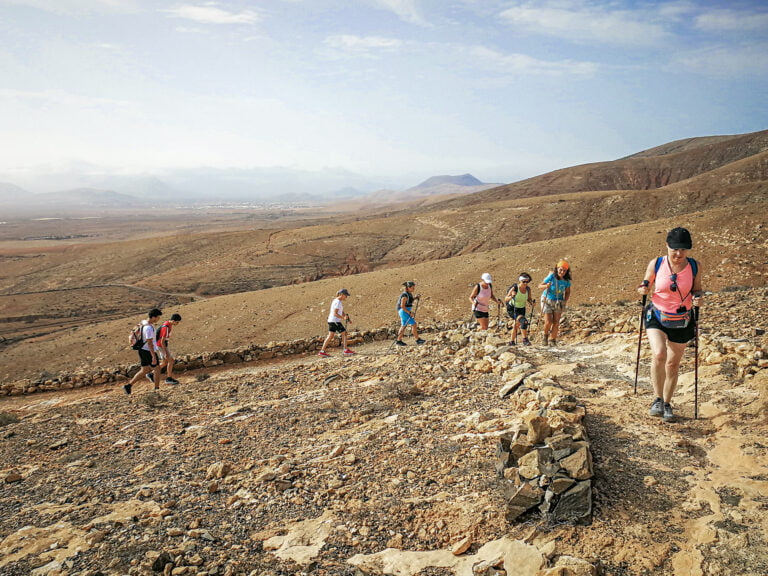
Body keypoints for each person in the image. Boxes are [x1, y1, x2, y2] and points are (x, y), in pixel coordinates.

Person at [637, 227, 703, 422]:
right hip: (657, 314)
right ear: (667, 246)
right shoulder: (656, 263)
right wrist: (643, 288)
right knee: (659, 354)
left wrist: (698, 298)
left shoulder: (695, 266)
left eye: (683, 249)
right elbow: (646, 283)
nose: (678, 254)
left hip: (682, 320)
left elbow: (697, 290)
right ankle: (657, 399)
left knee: (673, 364)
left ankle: (667, 403)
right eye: (674, 249)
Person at [124, 308, 162, 395]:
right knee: (157, 369)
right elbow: (150, 343)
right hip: (148, 350)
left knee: (144, 370)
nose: (158, 319)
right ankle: (157, 389)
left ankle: (128, 386)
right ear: (153, 317)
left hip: (142, 350)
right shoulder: (148, 328)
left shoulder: (143, 322)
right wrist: (153, 356)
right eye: (158, 317)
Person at [539, 260, 571, 346]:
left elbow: (568, 292)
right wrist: (546, 286)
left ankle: (553, 340)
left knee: (556, 322)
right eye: (561, 270)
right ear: (557, 269)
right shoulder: (551, 277)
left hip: (559, 300)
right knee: (548, 322)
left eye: (564, 270)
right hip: (547, 299)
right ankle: (545, 336)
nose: (562, 272)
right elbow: (540, 286)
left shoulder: (567, 281)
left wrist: (565, 301)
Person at [319, 289, 354, 357]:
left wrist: (346, 318)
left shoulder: (337, 301)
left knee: (330, 335)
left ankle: (322, 351)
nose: (346, 297)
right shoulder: (337, 302)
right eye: (345, 295)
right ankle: (345, 350)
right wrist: (343, 318)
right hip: (335, 321)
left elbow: (341, 311)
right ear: (341, 294)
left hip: (331, 321)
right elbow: (335, 313)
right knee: (344, 333)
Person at [504, 273, 535, 345]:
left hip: (522, 309)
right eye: (523, 281)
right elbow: (506, 299)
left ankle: (511, 341)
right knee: (523, 322)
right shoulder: (515, 288)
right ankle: (525, 340)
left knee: (516, 324)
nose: (525, 283)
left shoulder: (528, 289)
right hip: (512, 309)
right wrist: (512, 296)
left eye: (527, 282)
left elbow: (529, 299)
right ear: (520, 281)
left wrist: (531, 303)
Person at [155, 313, 182, 385]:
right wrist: (166, 352)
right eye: (177, 322)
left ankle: (151, 374)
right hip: (161, 345)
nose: (177, 323)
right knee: (171, 361)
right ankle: (169, 378)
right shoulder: (166, 327)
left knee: (165, 362)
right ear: (173, 320)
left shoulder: (168, 324)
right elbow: (162, 341)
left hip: (160, 345)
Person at [395, 281, 425, 346]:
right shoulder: (404, 295)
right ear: (408, 287)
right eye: (413, 288)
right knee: (414, 324)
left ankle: (398, 340)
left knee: (403, 326)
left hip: (404, 311)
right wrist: (409, 312)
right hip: (404, 311)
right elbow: (402, 306)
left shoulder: (408, 294)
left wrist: (416, 298)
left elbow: (409, 301)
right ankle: (417, 340)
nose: (414, 289)